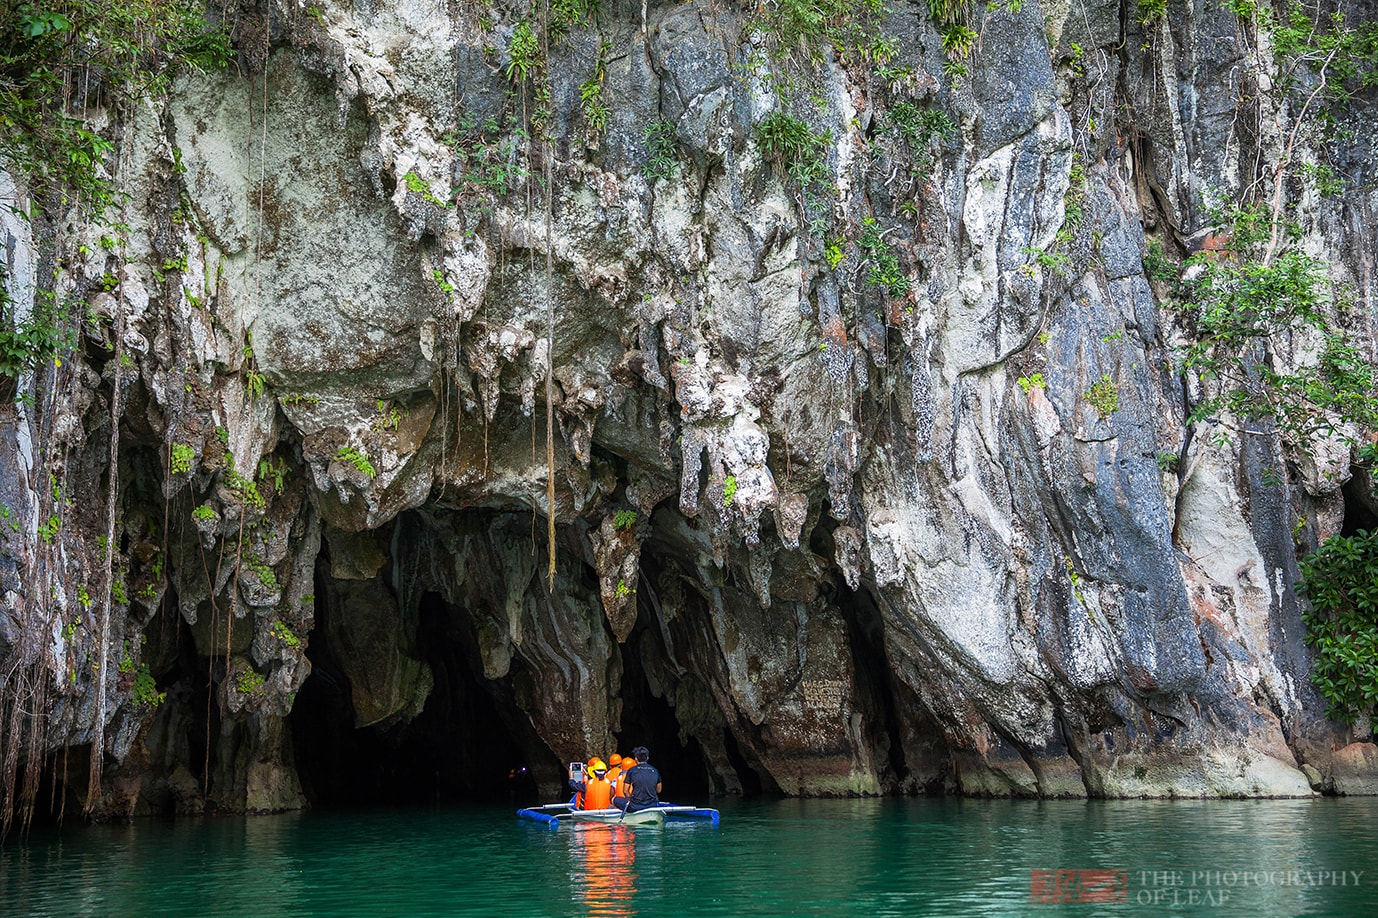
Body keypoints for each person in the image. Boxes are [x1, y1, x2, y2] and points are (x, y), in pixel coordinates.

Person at [613, 745, 661, 812]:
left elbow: (625, 791)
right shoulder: (655, 770)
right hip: (652, 805)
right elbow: (659, 790)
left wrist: (631, 800)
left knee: (614, 800)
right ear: (647, 758)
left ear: (635, 759)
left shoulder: (632, 771)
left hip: (635, 806)